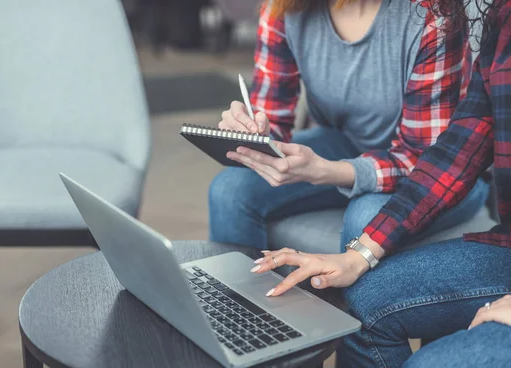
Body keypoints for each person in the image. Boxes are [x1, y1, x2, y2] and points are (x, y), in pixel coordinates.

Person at [251, 0, 511, 368]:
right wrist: (358, 256)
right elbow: (456, 154)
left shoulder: (427, 17)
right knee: (358, 301)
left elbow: (420, 152)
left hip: (411, 168)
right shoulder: (502, 18)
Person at [209, 0, 490, 252]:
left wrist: (328, 172)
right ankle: (241, 307)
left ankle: (346, 308)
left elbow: (426, 159)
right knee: (229, 190)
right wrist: (251, 131)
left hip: (444, 171)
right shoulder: (283, 8)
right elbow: (271, 118)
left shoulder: (432, 15)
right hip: (347, 144)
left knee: (366, 219)